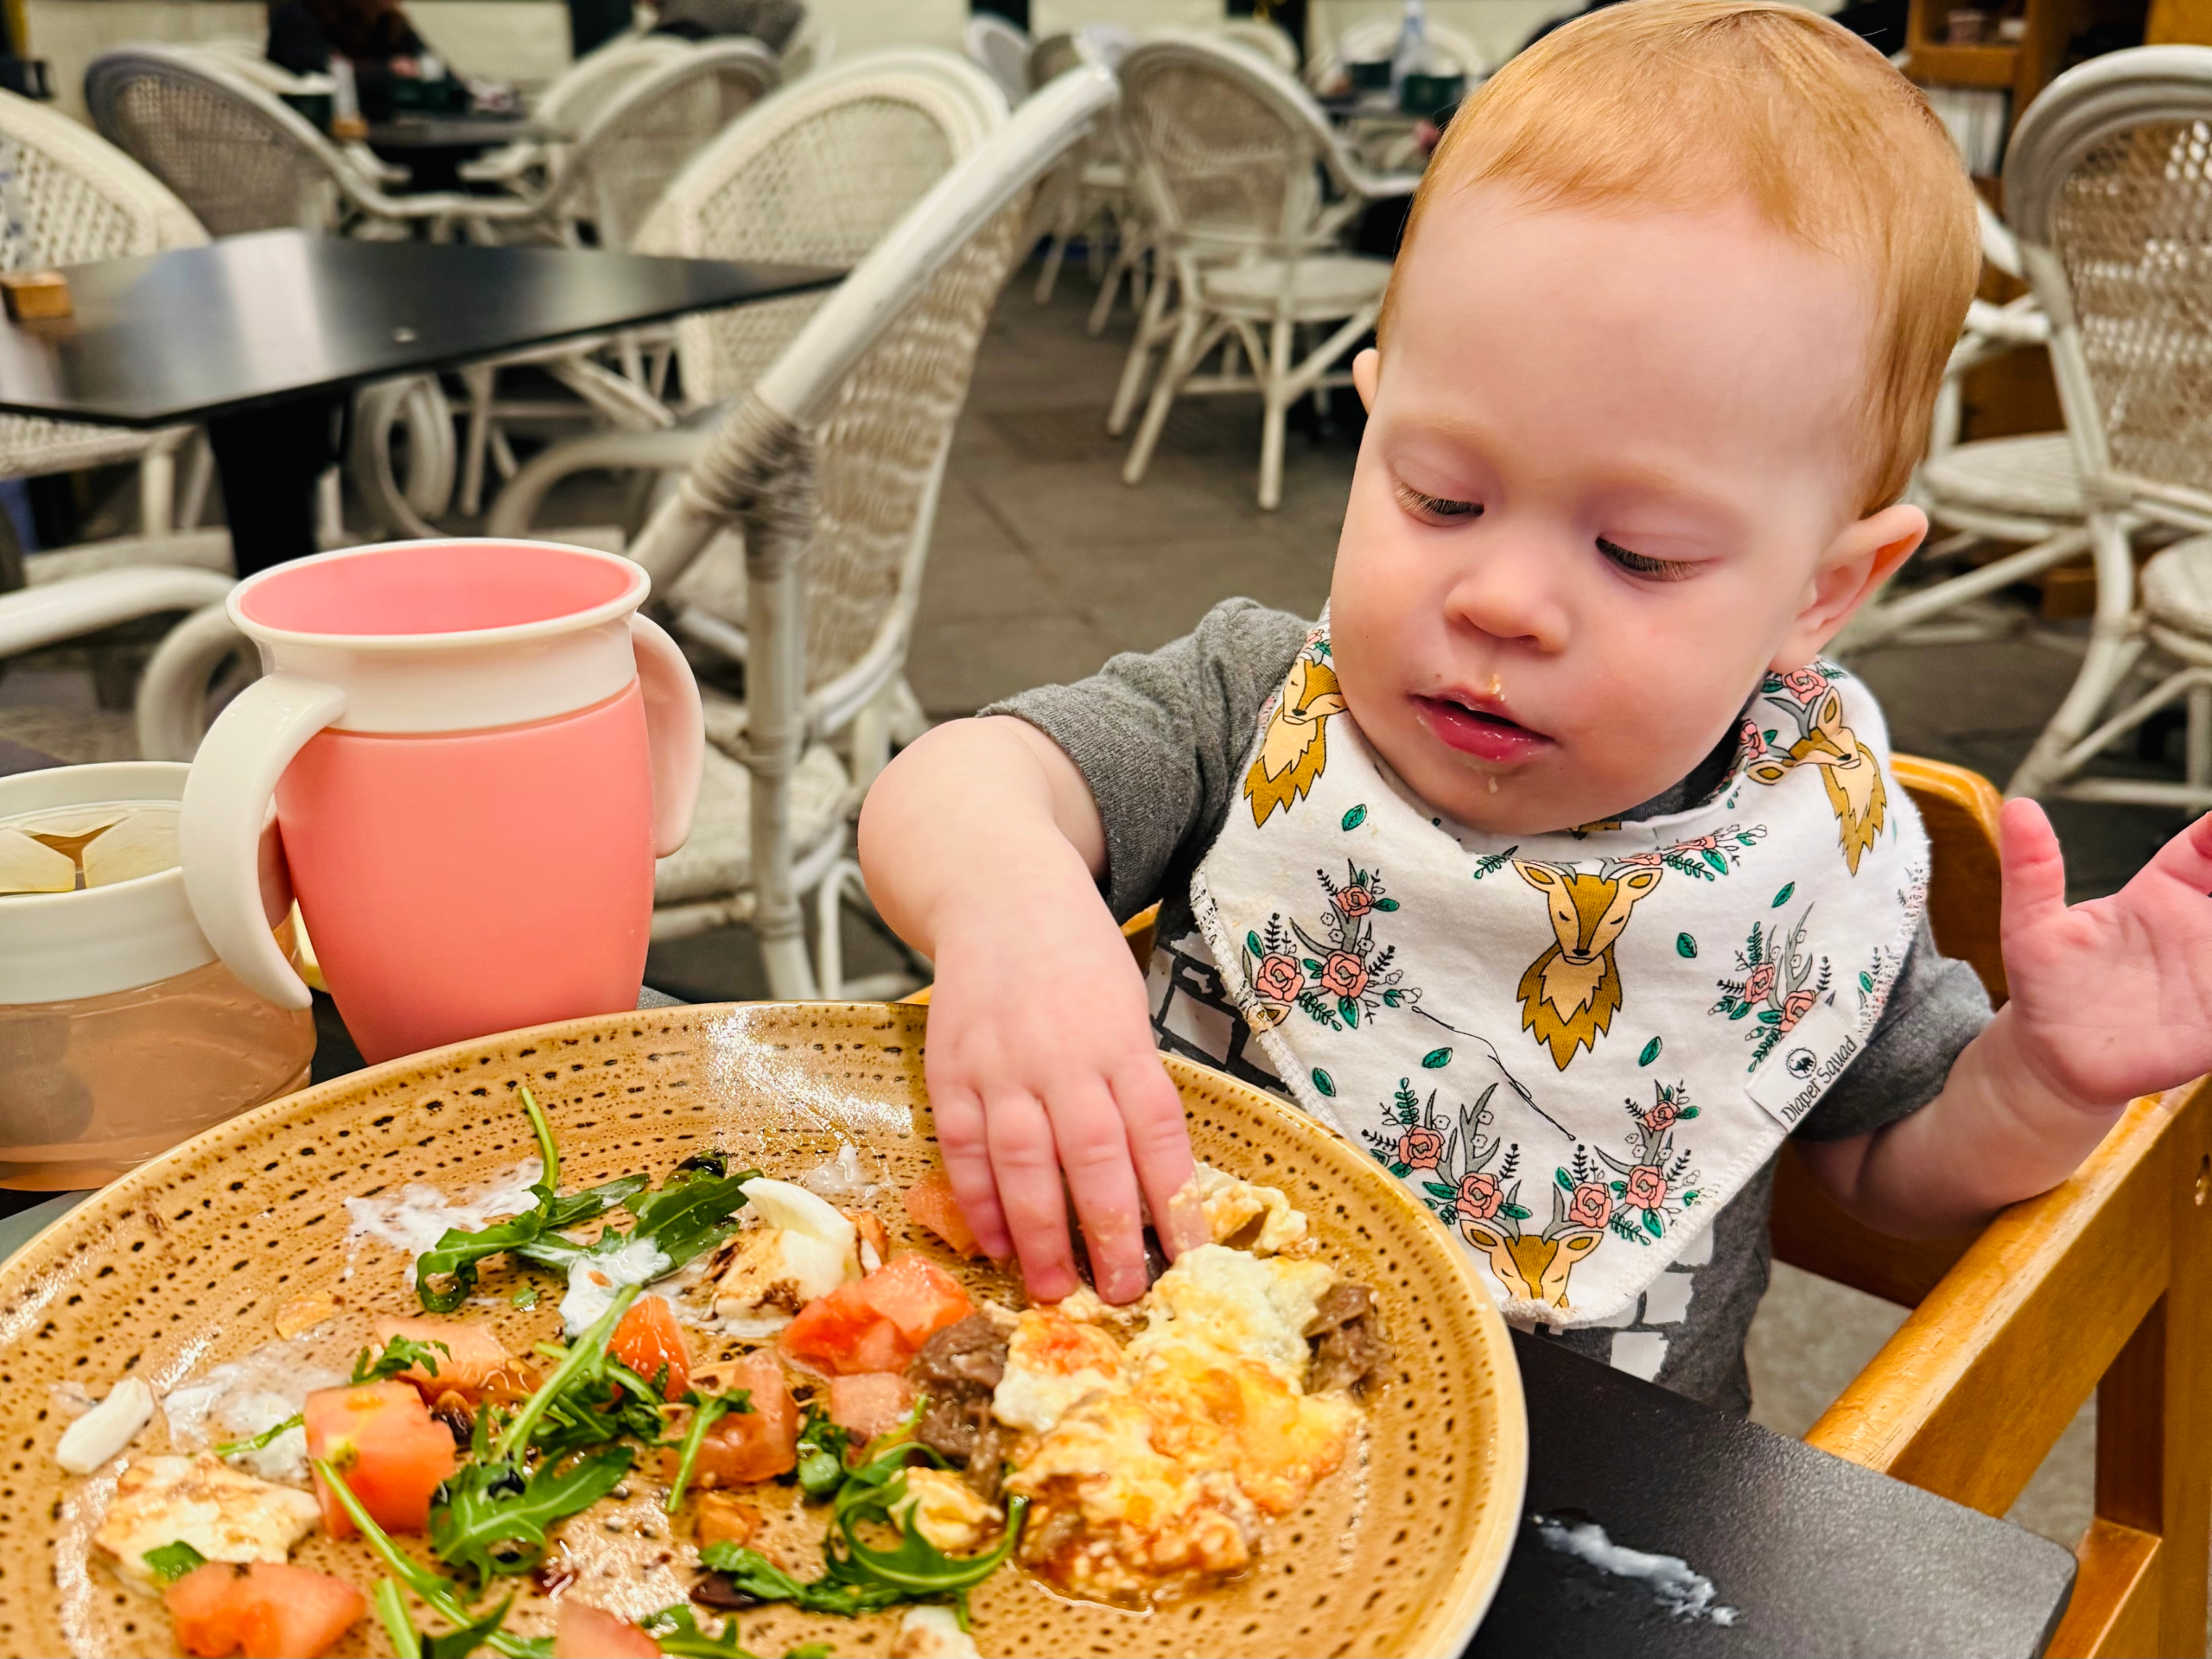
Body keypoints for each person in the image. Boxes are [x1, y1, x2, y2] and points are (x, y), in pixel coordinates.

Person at [855, 0, 2212, 1411]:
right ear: (1373, 427)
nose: (1503, 598)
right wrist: (1015, 910)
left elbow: (1892, 1171)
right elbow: (952, 782)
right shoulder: (1258, 702)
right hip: (1147, 1423)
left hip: (1603, 1522)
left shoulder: (1805, 853)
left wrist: (2046, 1079)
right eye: (1441, 496)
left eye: (1639, 555)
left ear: (1823, 589)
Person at [266, 0, 427, 79]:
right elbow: (318, 75)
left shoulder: (391, 21)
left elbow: (431, 66)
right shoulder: (298, 14)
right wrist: (387, 71)